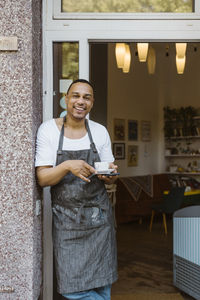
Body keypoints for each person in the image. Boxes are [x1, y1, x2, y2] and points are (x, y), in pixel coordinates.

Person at [35, 79, 118, 300]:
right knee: (74, 289)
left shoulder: (99, 132)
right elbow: (42, 178)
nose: (81, 101)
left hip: (99, 223)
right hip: (67, 224)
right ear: (66, 99)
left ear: (92, 103)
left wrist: (108, 175)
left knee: (102, 284)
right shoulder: (49, 130)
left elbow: (110, 178)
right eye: (76, 95)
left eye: (86, 97)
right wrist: (66, 166)